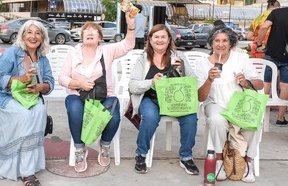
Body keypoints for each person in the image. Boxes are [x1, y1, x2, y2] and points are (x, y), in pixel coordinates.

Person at [58, 12, 135, 172]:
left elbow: (128, 45)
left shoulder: (106, 51)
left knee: (113, 117)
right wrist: (78, 83)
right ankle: (80, 150)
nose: (90, 32)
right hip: (77, 95)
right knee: (74, 111)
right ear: (82, 35)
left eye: (94, 30)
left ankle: (105, 145)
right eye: (87, 30)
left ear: (100, 37)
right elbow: (62, 77)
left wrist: (131, 25)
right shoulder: (74, 52)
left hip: (104, 96)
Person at [0, 20, 54, 185]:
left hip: (29, 98)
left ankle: (27, 165)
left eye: (37, 33)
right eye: (29, 32)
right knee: (24, 114)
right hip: (2, 98)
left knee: (39, 111)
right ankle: (25, 172)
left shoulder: (42, 59)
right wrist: (21, 79)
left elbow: (50, 83)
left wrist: (40, 87)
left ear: (42, 37)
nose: (33, 36)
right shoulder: (12, 53)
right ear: (23, 35)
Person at [128, 24, 198, 175]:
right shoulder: (143, 58)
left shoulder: (178, 56)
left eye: (163, 37)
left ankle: (186, 156)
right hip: (150, 98)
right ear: (150, 40)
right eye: (156, 37)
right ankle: (141, 154)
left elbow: (193, 80)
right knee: (150, 117)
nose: (160, 40)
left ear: (169, 40)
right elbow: (133, 86)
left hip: (175, 99)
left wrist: (182, 70)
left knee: (191, 117)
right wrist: (151, 82)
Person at [196, 26, 263, 183]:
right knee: (216, 119)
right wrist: (209, 80)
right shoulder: (202, 63)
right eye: (217, 40)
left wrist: (246, 82)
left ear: (231, 42)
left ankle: (247, 162)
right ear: (211, 43)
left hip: (239, 104)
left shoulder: (241, 59)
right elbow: (200, 97)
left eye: (225, 40)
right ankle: (219, 159)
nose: (221, 44)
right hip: (215, 103)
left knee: (255, 123)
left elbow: (260, 84)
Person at [257, 6, 288, 126]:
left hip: (272, 54)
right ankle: (280, 118)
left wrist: (259, 44)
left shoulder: (276, 12)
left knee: (266, 83)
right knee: (285, 85)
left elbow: (264, 26)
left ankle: (259, 116)